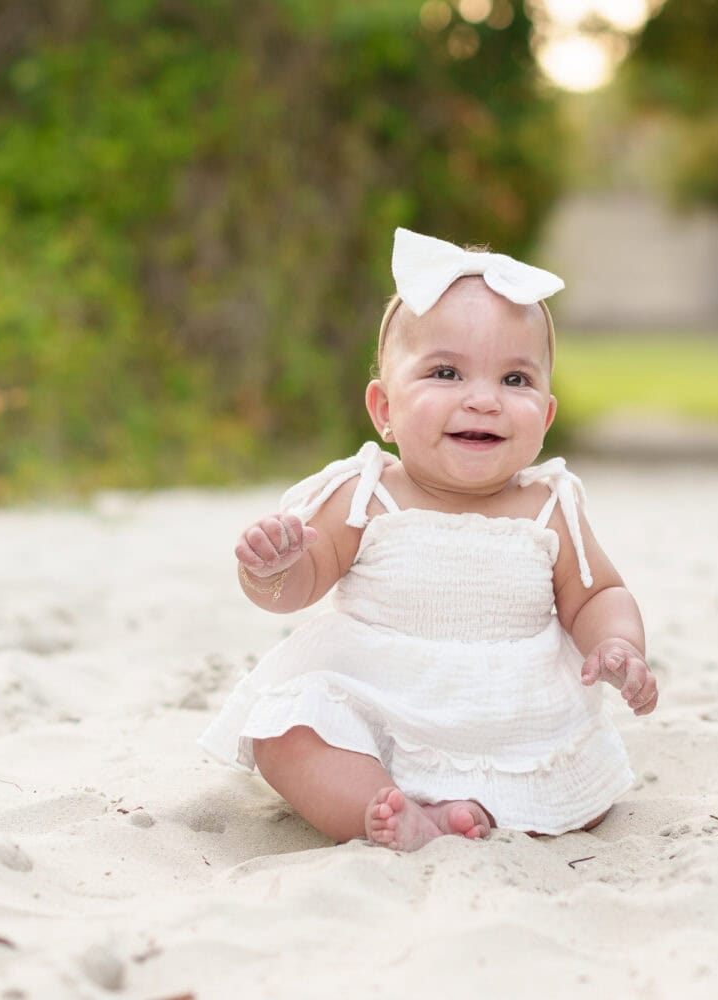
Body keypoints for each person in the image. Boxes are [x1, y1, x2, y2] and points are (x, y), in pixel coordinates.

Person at [200, 228, 657, 851]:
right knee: (289, 732)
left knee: (581, 790)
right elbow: (297, 587)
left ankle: (476, 807)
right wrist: (273, 567)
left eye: (516, 380)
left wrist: (618, 643)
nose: (483, 400)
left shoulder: (548, 505)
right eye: (446, 373)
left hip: (508, 711)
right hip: (380, 703)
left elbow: (597, 592)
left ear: (546, 417)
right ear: (384, 408)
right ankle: (378, 806)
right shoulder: (366, 494)